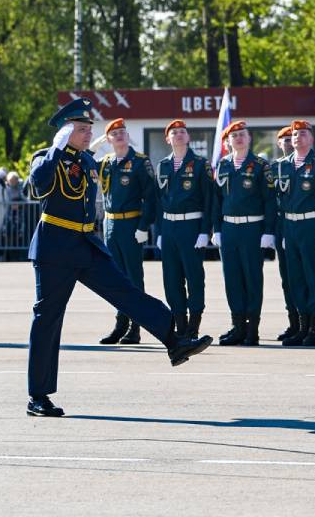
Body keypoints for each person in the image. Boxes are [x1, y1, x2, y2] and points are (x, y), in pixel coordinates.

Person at [24, 97, 211, 417]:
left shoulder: (85, 162)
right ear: (65, 132)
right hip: (55, 247)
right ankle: (38, 396)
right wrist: (55, 151)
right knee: (48, 318)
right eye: (81, 129)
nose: (87, 134)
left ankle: (174, 340)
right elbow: (35, 189)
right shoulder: (46, 158)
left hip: (86, 243)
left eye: (88, 129)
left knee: (126, 292)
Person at [212, 121, 277, 346]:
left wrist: (268, 231)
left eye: (242, 135)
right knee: (232, 279)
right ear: (228, 141)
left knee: (252, 278)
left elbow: (270, 201)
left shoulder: (260, 165)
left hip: (252, 228)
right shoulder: (223, 165)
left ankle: (253, 330)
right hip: (229, 228)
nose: (238, 138)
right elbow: (216, 200)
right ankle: (237, 326)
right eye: (234, 135)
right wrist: (216, 229)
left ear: (249, 138)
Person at [96, 118, 159, 345]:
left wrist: (144, 226)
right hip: (110, 225)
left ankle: (135, 327)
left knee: (133, 277)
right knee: (116, 278)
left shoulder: (140, 162)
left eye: (123, 131)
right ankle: (120, 324)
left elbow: (151, 197)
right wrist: (95, 144)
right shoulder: (105, 162)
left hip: (131, 224)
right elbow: (82, 161)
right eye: (114, 133)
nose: (120, 135)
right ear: (109, 140)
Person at [273, 120, 315, 347]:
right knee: (295, 278)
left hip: (312, 226)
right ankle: (301, 326)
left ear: (311, 138)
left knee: (313, 277)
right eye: (294, 134)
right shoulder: (281, 166)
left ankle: (314, 329)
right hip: (290, 227)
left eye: (302, 134)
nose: (297, 137)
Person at [155, 120, 214, 339]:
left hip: (191, 225)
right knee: (171, 278)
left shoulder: (200, 164)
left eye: (182, 132)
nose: (179, 135)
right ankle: (180, 324)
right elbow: (158, 201)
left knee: (194, 276)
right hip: (169, 226)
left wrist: (204, 230)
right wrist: (159, 231)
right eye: (174, 132)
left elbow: (209, 200)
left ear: (188, 137)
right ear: (168, 139)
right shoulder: (163, 165)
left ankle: (194, 324)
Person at [272, 126, 299, 341]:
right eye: (285, 139)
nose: (289, 142)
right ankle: (293, 321)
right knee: (287, 277)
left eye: (292, 138)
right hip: (282, 225)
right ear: (278, 143)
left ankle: (307, 323)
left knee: (304, 276)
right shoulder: (275, 168)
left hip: (301, 223)